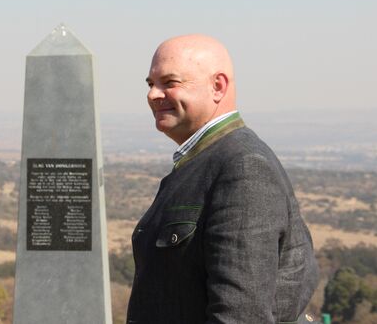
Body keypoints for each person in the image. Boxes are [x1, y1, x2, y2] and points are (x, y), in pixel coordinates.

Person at [127, 35, 319, 324]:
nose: (153, 94)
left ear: (218, 86)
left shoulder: (242, 167)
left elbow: (241, 315)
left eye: (170, 82)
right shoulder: (205, 161)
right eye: (150, 83)